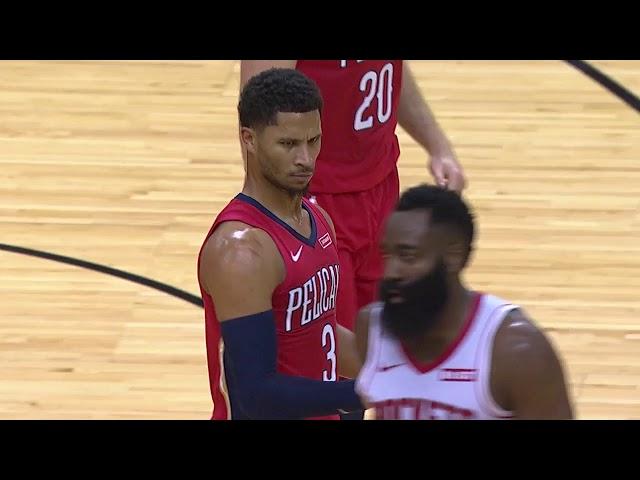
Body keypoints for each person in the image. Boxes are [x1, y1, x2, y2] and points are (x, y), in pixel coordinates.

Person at [241, 60, 465, 419]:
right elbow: (256, 118)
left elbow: (387, 72)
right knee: (330, 367)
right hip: (318, 203)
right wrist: (273, 219)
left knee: (385, 350)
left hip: (381, 190)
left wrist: (437, 145)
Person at [198, 68, 363, 420]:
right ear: (249, 139)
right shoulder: (241, 252)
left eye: (313, 141)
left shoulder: (317, 219)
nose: (305, 159)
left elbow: (321, 332)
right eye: (288, 144)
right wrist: (367, 392)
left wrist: (403, 366)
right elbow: (257, 396)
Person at [355, 184, 574, 420]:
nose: (390, 272)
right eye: (387, 255)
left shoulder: (517, 351)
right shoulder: (372, 328)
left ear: (453, 256)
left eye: (408, 256)